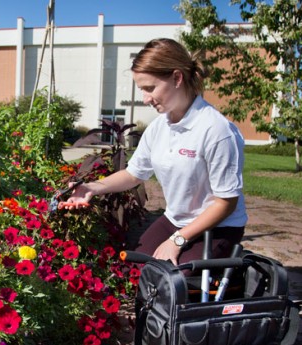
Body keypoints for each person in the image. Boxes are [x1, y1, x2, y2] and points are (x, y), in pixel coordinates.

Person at [65, 38, 247, 266]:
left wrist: (177, 240)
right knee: (137, 267)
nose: (145, 98)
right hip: (175, 219)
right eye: (142, 89)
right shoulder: (159, 127)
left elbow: (226, 202)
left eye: (150, 88)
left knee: (172, 281)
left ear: (177, 78)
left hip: (219, 226)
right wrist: (91, 188)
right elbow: (134, 175)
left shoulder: (216, 130)